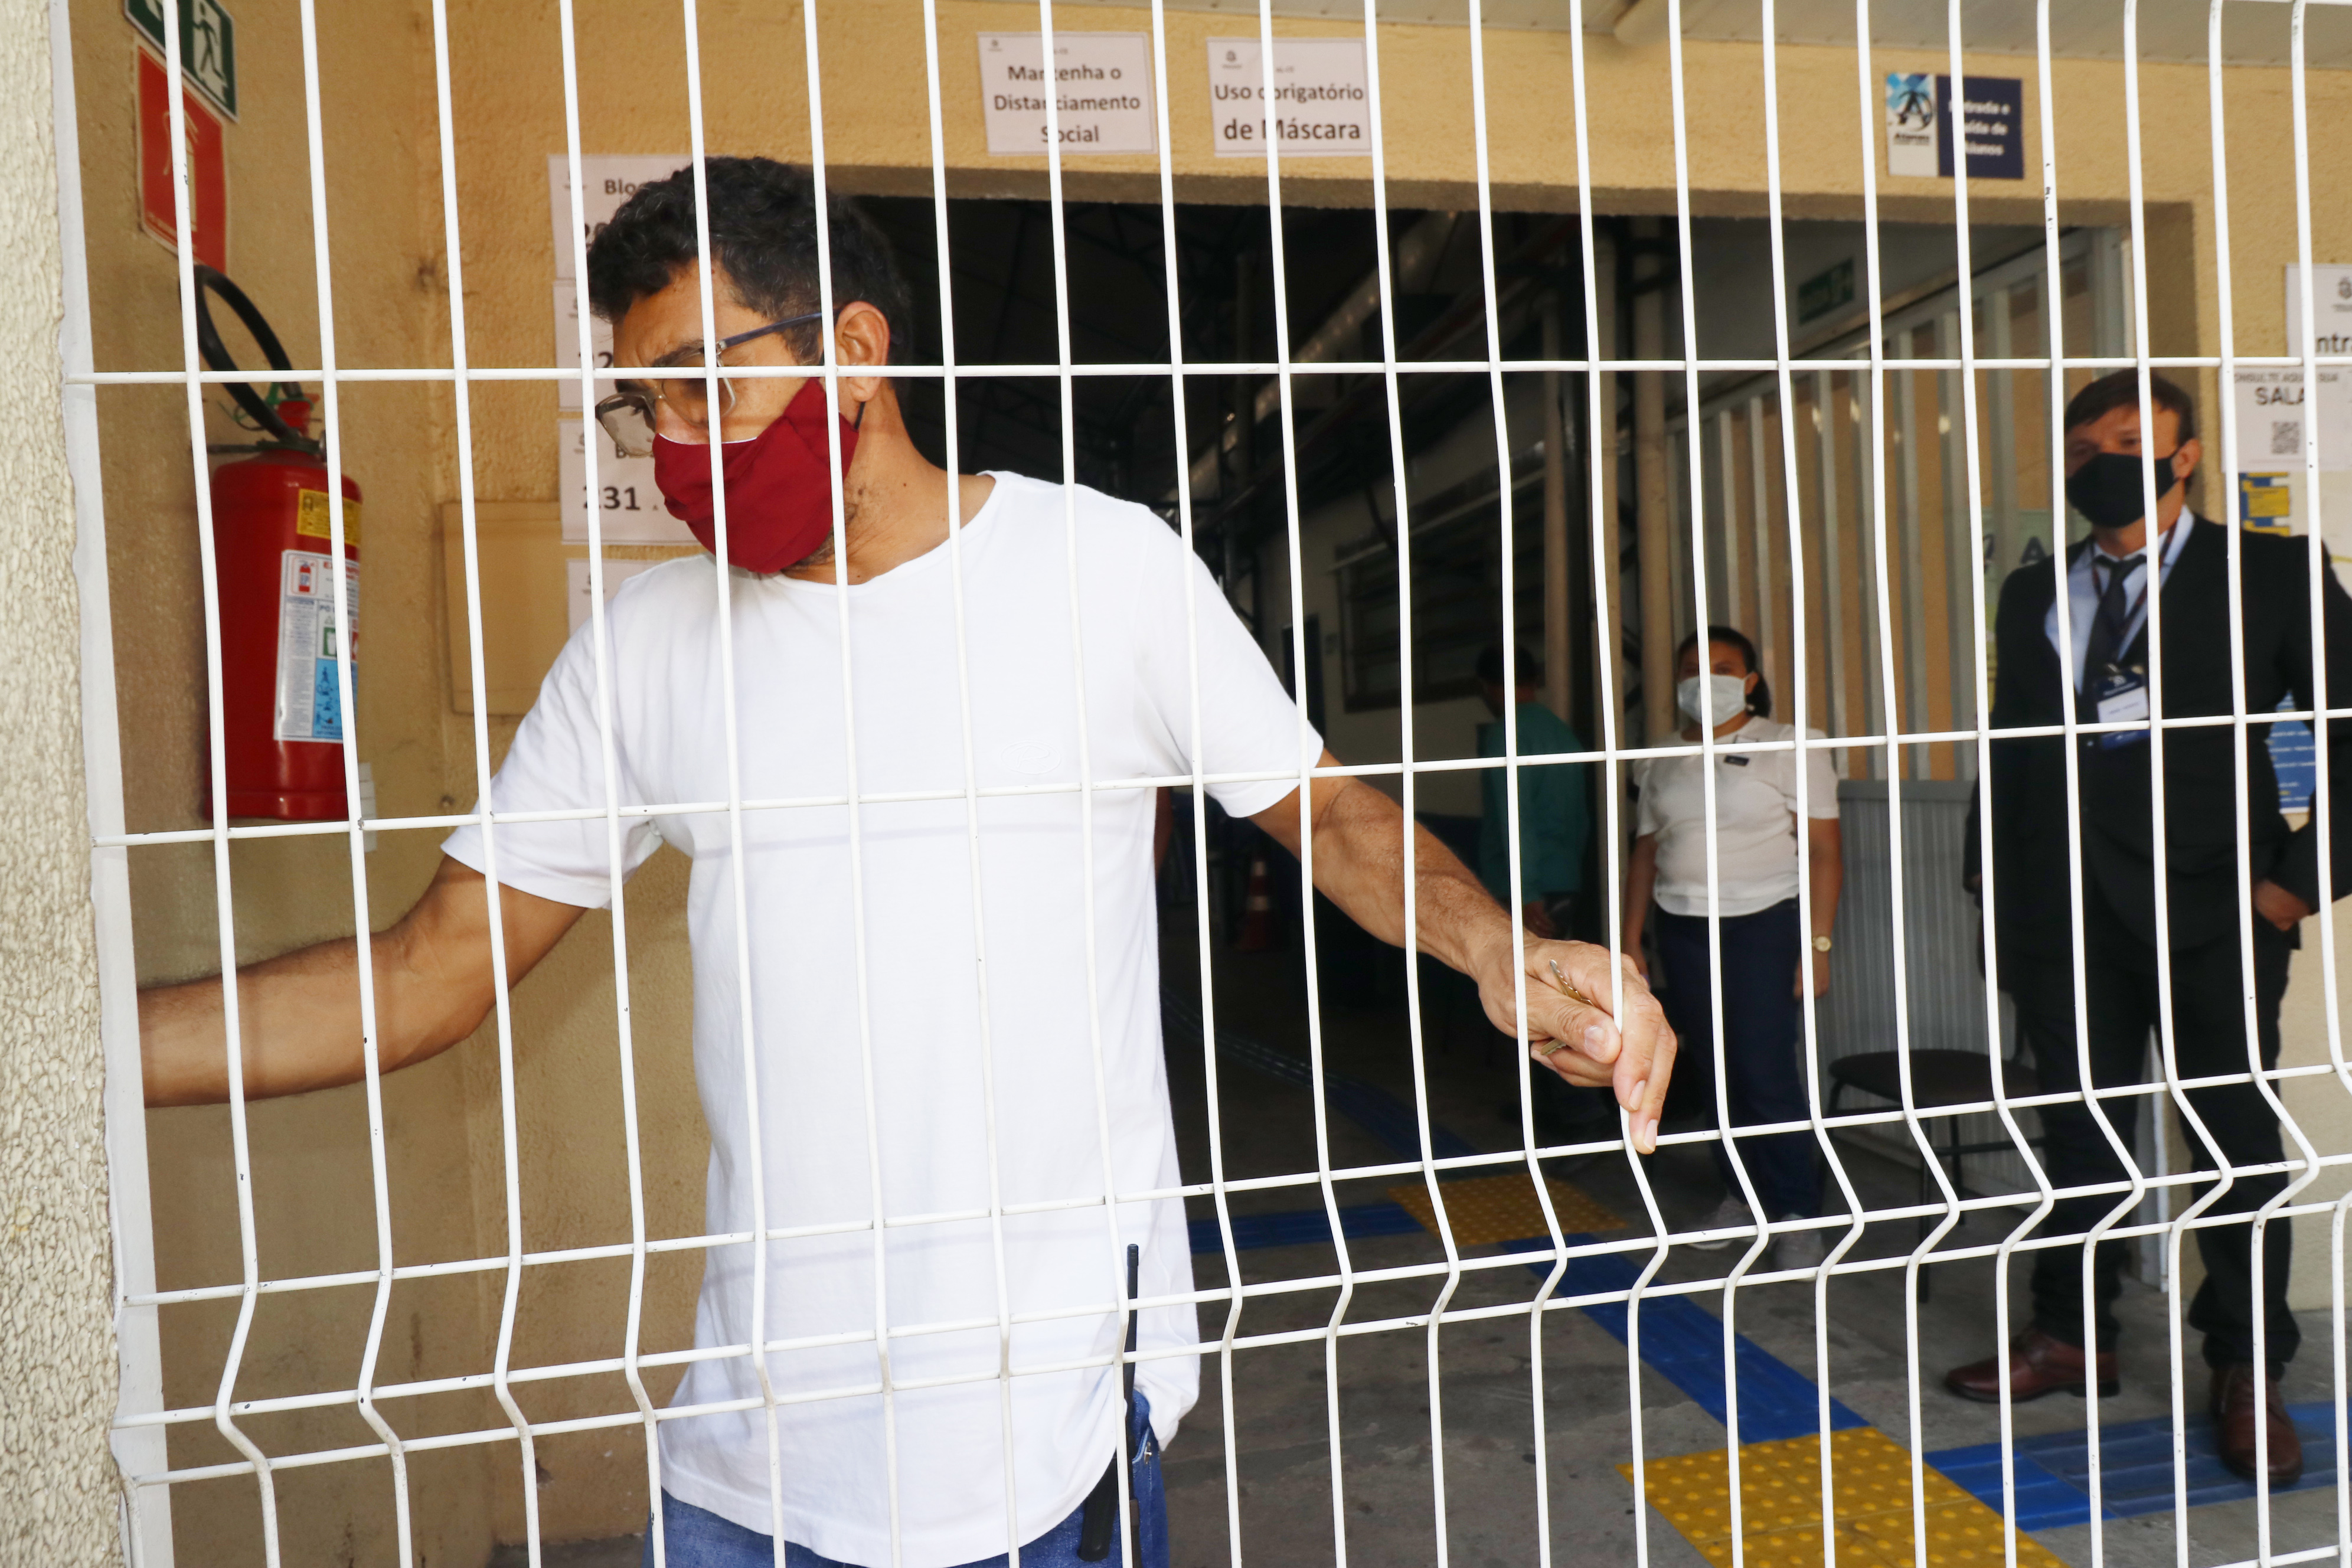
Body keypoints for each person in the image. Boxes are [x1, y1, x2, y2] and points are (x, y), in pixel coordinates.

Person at [136, 158, 1674, 1568]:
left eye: (703, 385)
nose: (676, 445)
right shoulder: (647, 653)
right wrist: (75, 1052)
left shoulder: (1102, 572)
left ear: (855, 349)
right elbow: (428, 972)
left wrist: (1496, 947)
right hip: (757, 1467)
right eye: (643, 406)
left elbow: (1324, 813)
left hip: (1058, 1430)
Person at [1945, 370, 2352, 1485]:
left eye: (2128, 443)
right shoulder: (2033, 590)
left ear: (2184, 456)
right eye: (2082, 450)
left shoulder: (2269, 572)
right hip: (2060, 914)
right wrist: (1992, 881)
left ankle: (2247, 1366)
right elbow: (2013, 741)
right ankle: (2071, 1332)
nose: (2100, 465)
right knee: (2078, 1134)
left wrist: (2293, 886)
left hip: (2216, 911)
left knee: (2231, 1142)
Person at [1623, 625, 1843, 1273]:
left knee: (1763, 1070)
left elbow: (1824, 850)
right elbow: (1645, 852)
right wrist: (1631, 939)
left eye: (1723, 667)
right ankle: (1742, 1196)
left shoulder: (1790, 744)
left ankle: (1797, 1212)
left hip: (1764, 925)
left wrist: (1818, 944)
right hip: (1683, 928)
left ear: (1750, 680)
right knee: (1714, 1070)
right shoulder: (1659, 755)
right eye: (1693, 668)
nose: (1706, 679)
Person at [1474, 642, 1592, 940]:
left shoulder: (1504, 734)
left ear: (1486, 687)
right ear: (1535, 679)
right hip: (1566, 882)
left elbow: (1515, 816)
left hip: (1523, 891)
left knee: (1517, 970)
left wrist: (1525, 892)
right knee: (1555, 969)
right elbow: (1581, 819)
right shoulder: (1562, 733)